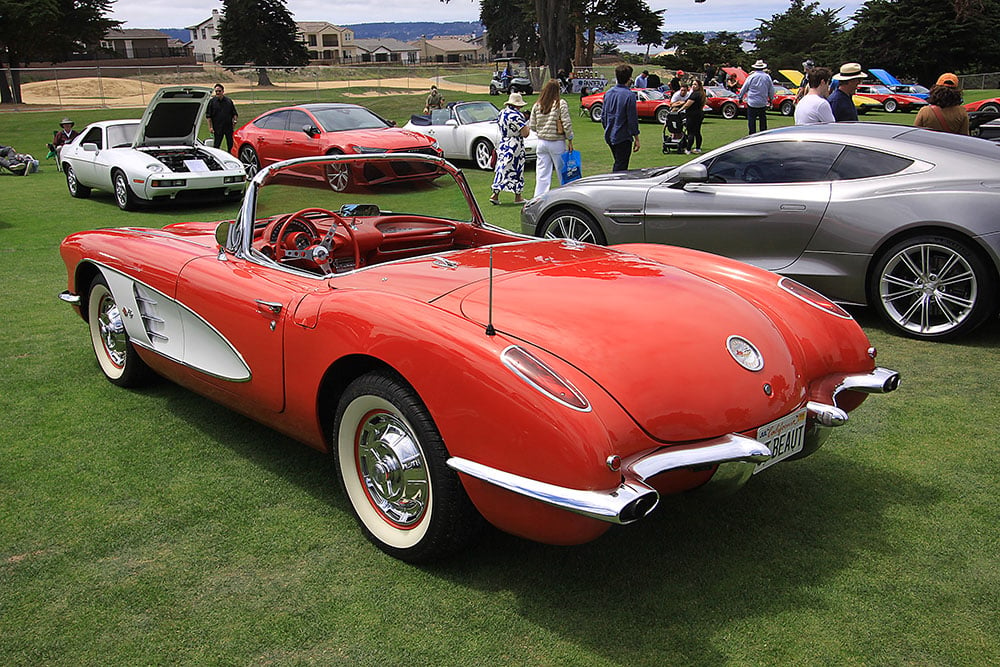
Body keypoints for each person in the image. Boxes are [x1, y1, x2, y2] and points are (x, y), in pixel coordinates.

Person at [528, 79, 574, 198]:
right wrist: (570, 139)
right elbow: (566, 123)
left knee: (542, 173)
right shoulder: (560, 103)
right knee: (562, 171)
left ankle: (539, 198)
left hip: (542, 142)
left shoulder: (538, 105)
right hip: (557, 141)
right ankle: (567, 195)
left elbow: (532, 125)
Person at [489, 92, 530, 205]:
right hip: (515, 145)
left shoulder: (502, 113)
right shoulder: (516, 116)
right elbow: (525, 133)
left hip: (504, 143)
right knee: (516, 170)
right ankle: (518, 196)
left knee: (502, 168)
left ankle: (495, 193)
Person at [601, 63, 641, 172]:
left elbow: (603, 116)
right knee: (621, 166)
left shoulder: (608, 93)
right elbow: (632, 119)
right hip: (623, 136)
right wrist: (636, 138)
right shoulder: (629, 95)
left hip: (610, 134)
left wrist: (607, 128)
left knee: (618, 161)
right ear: (629, 78)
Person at [739, 60, 775, 134]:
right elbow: (771, 90)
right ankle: (763, 134)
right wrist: (771, 99)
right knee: (763, 120)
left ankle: (752, 134)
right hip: (762, 102)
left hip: (752, 101)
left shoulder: (751, 76)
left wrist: (740, 97)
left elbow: (744, 88)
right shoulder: (767, 77)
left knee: (751, 120)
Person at [206, 83, 238, 153]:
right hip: (217, 128)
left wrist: (234, 122)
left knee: (230, 145)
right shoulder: (212, 102)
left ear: (223, 91)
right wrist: (210, 127)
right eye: (216, 91)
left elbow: (234, 114)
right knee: (216, 145)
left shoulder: (228, 101)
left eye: (219, 91)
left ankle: (230, 156)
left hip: (228, 127)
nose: (218, 93)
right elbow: (208, 116)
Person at [678, 78, 706, 154]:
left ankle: (688, 149)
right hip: (699, 114)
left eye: (695, 84)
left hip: (692, 115)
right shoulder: (701, 94)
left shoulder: (695, 94)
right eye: (692, 84)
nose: (693, 86)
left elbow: (687, 104)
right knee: (697, 132)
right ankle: (698, 148)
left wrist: (679, 110)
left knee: (691, 132)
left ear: (699, 86)